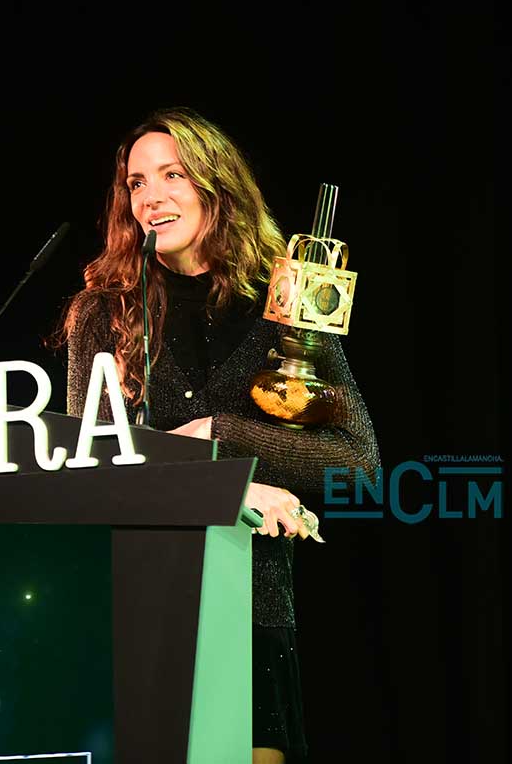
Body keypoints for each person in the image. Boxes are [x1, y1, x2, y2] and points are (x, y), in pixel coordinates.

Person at [60, 107, 379, 763]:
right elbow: (89, 469)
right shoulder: (103, 312)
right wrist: (226, 485)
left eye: (172, 175)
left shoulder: (287, 301)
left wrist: (221, 434)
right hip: (134, 602)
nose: (151, 197)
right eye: (137, 182)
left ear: (217, 184)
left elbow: (358, 465)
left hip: (249, 606)